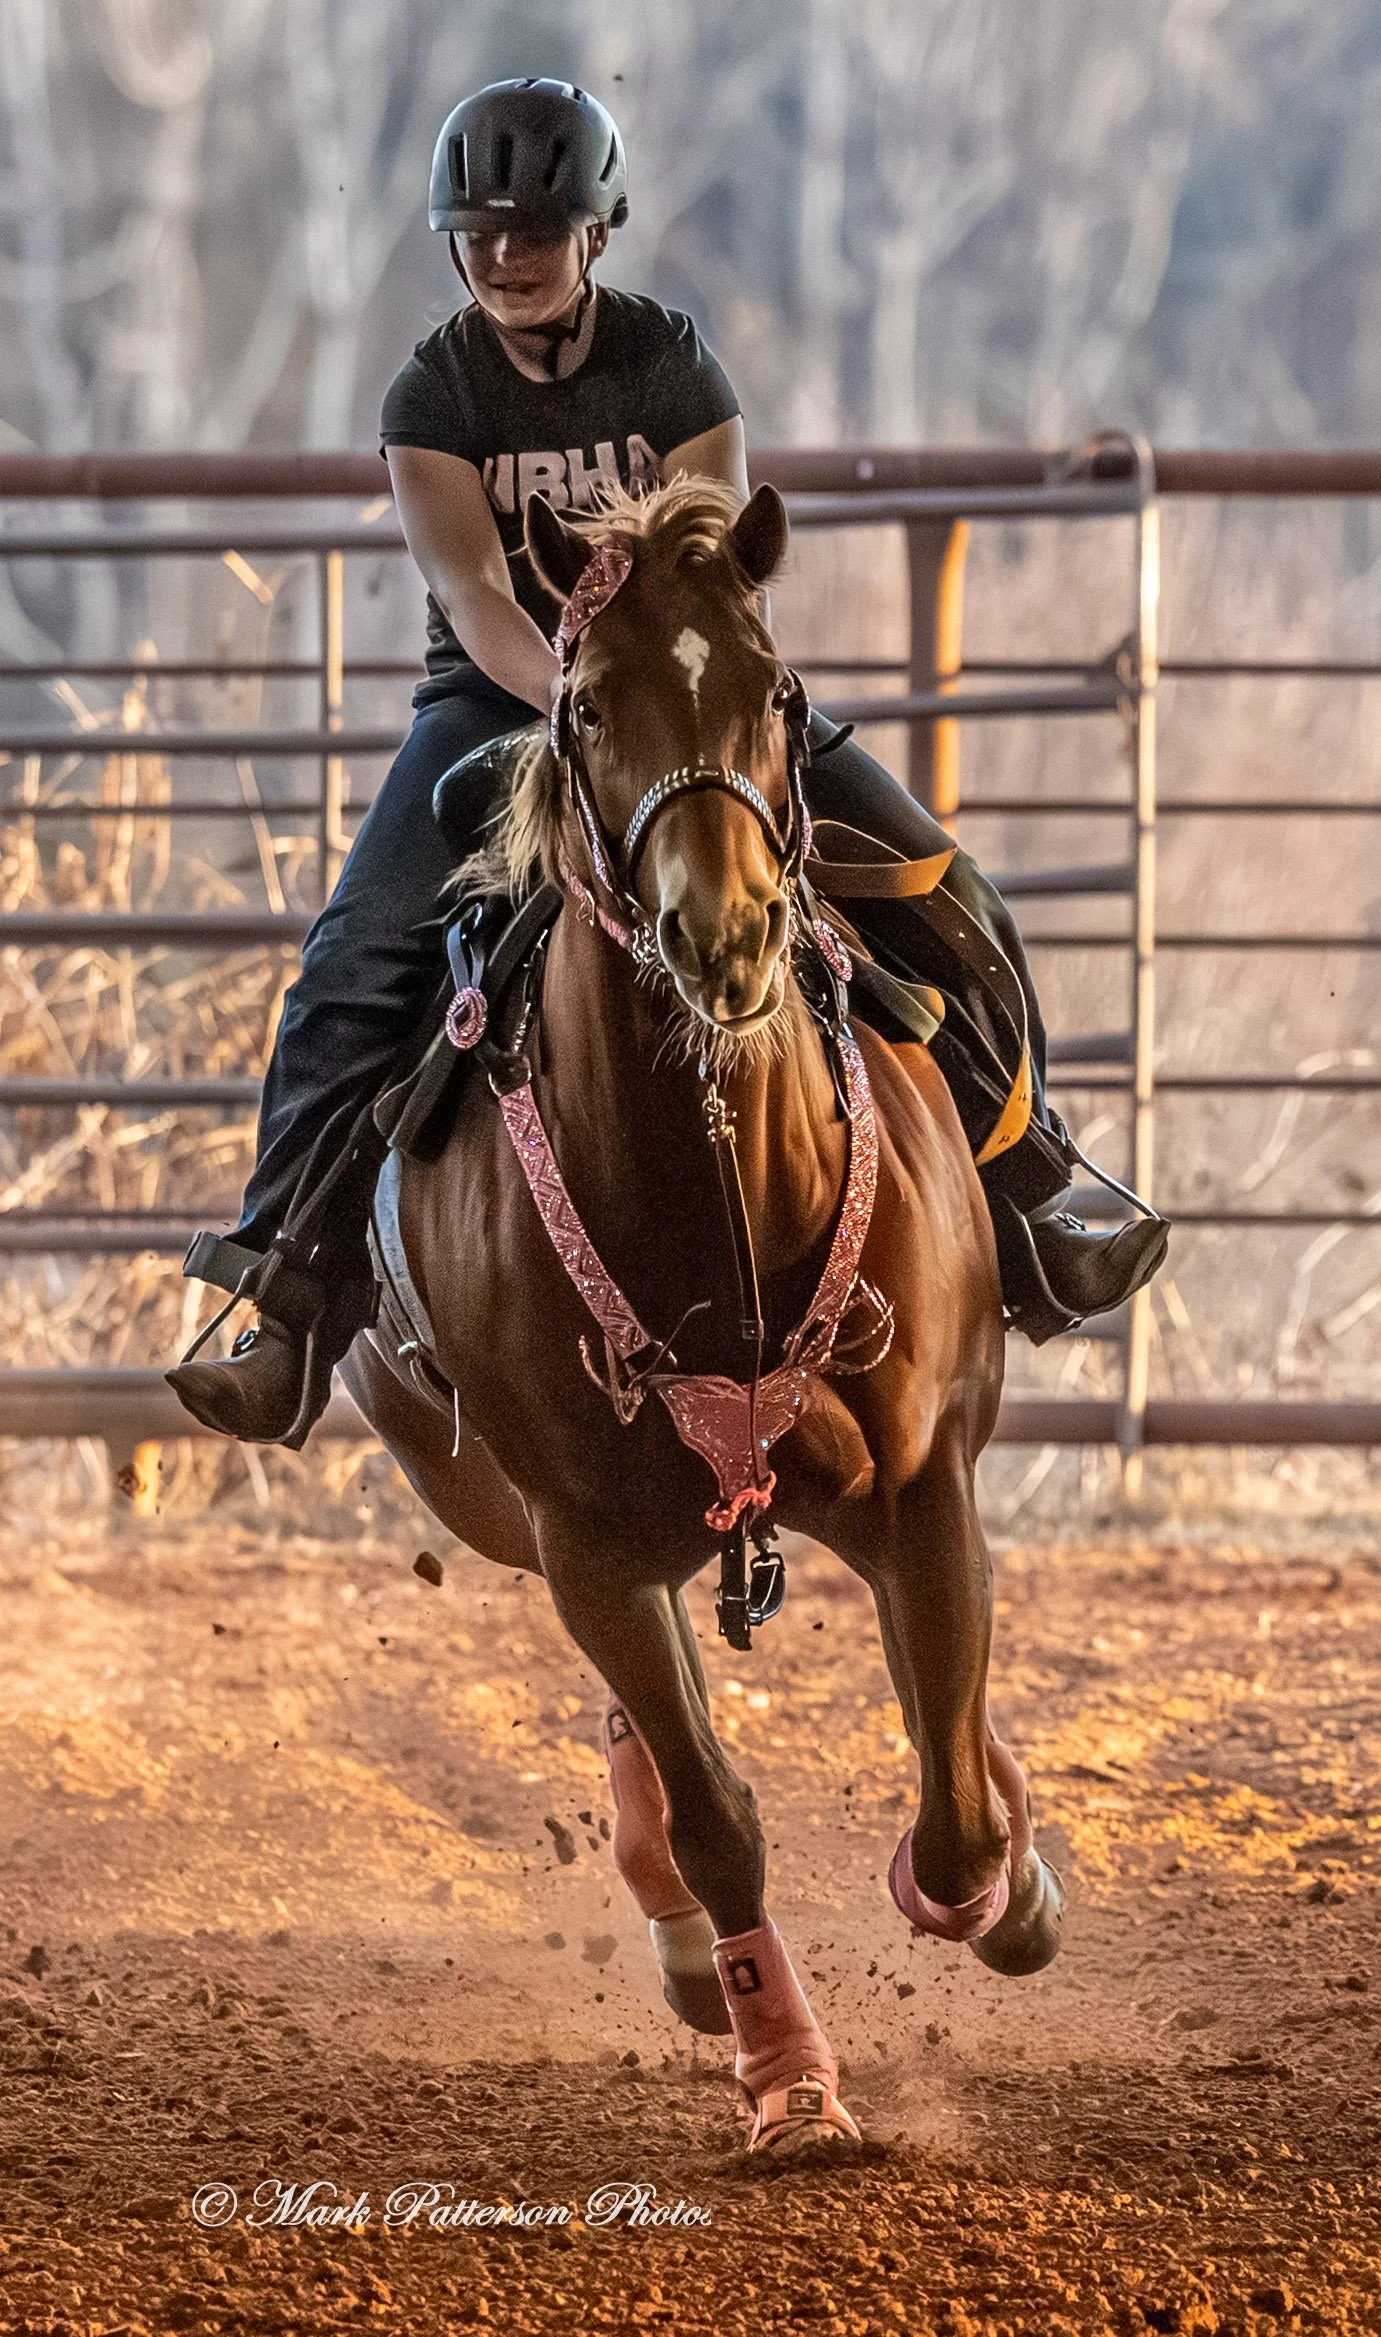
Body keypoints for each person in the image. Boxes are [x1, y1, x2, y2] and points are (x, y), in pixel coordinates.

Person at [167, 77, 1166, 1449]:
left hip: (692, 705)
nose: (506, 259)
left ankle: (1039, 1182)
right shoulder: (432, 393)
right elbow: (476, 601)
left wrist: (657, 705)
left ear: (596, 234)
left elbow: (714, 572)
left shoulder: (676, 366)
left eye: (537, 233)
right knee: (352, 963)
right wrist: (584, 704)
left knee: (949, 891)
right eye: (480, 236)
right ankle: (278, 1290)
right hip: (501, 701)